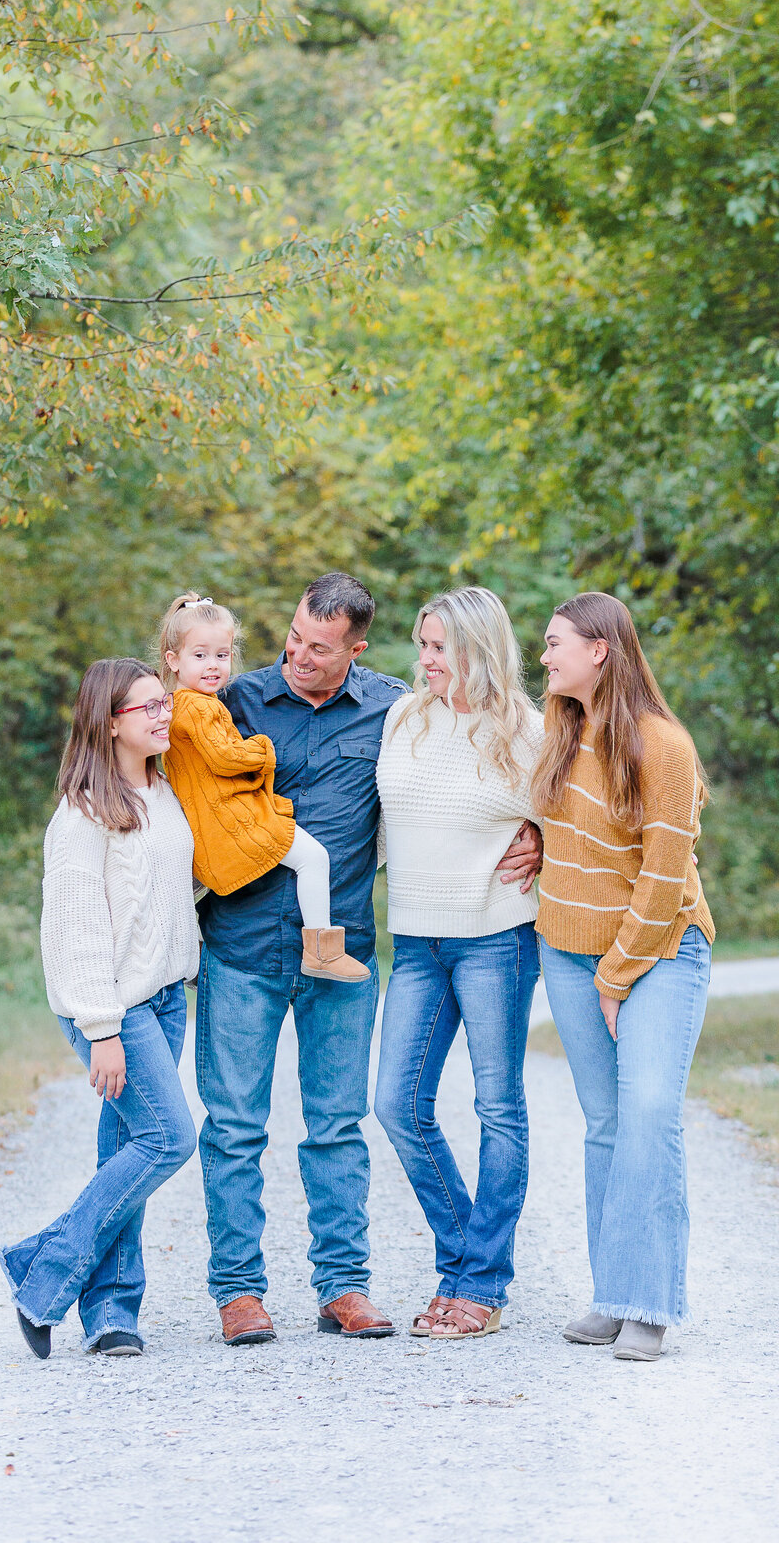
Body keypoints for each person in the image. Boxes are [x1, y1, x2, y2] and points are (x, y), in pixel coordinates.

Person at [194, 572, 543, 1347]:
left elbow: (493, 777)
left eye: (320, 648)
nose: (298, 656)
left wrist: (538, 834)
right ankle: (239, 1292)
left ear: (356, 649)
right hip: (243, 944)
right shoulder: (234, 704)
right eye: (292, 637)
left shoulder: (394, 708)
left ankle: (343, 1286)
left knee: (339, 1125)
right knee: (233, 1127)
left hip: (343, 951)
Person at [0, 659, 200, 1360]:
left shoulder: (166, 791)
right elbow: (75, 928)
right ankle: (42, 1266)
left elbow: (169, 894)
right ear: (109, 720)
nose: (161, 715)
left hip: (167, 998)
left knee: (126, 1147)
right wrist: (102, 1029)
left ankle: (113, 1311)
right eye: (147, 707)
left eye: (162, 704)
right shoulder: (82, 815)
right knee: (170, 1139)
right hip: (113, 1006)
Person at [534, 592, 715, 1363]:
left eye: (553, 644)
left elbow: (665, 876)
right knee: (605, 1122)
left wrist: (616, 976)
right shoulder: (560, 727)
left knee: (648, 1114)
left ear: (599, 650)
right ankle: (613, 1293)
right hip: (567, 950)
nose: (543, 658)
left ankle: (650, 1303)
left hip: (660, 951)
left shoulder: (661, 745)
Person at [374, 587, 544, 1339]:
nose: (426, 659)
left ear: (480, 648)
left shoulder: (531, 732)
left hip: (496, 937)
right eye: (423, 644)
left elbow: (581, 819)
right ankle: (465, 1262)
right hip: (414, 939)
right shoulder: (404, 718)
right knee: (397, 1104)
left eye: (440, 646)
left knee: (497, 1108)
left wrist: (544, 840)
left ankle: (480, 1284)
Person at [159, 592, 366, 982]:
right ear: (173, 660)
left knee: (185, 882)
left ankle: (183, 950)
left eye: (222, 655)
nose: (213, 666)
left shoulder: (185, 704)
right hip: (232, 816)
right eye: (199, 655)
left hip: (209, 818)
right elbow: (225, 757)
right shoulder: (199, 707)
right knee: (313, 858)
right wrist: (263, 748)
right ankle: (322, 949)